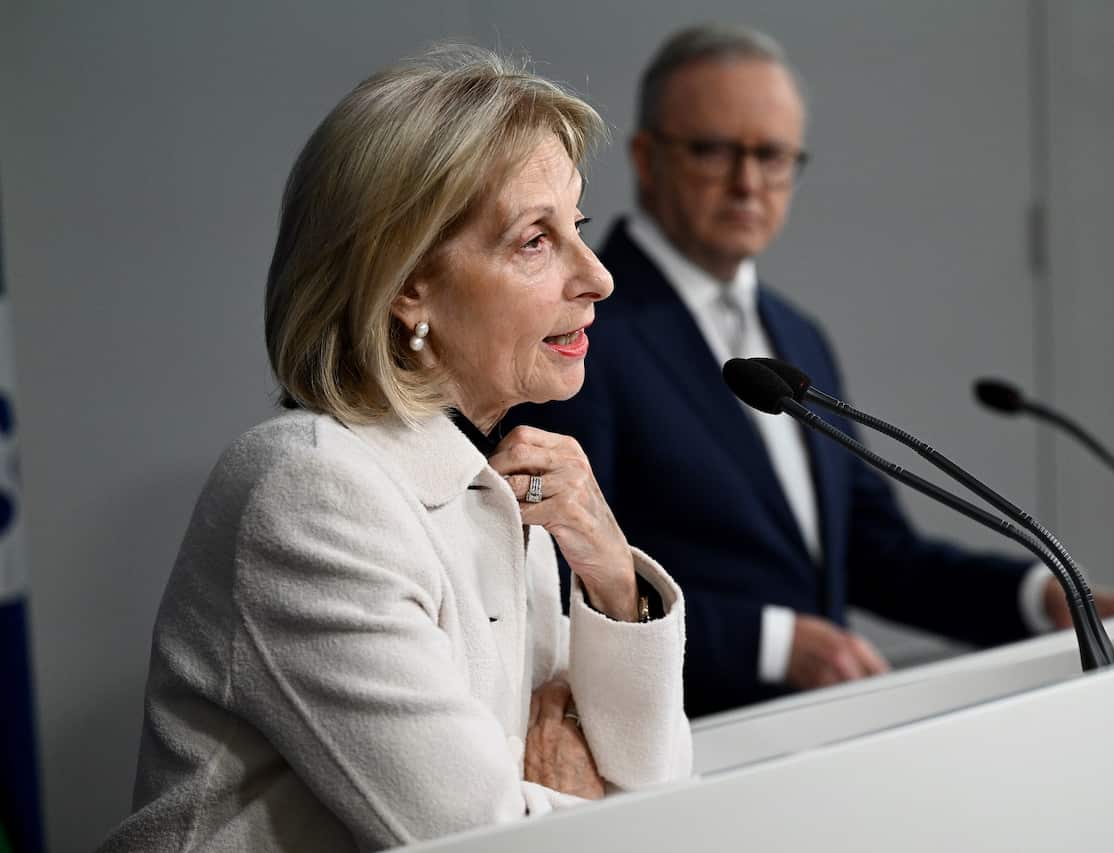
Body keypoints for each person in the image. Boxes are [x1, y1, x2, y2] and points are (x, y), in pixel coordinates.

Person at [99, 47, 691, 853]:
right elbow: (488, 842)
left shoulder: (499, 484)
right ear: (408, 281)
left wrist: (615, 579)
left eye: (576, 227)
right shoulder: (310, 490)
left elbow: (656, 794)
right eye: (533, 241)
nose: (598, 276)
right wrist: (585, 807)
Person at [508, 25, 1114, 718]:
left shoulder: (797, 336)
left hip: (816, 739)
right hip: (676, 744)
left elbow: (875, 551)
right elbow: (551, 565)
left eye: (773, 155)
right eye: (714, 150)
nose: (748, 181)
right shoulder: (581, 324)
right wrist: (774, 644)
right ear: (646, 157)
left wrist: (1038, 594)